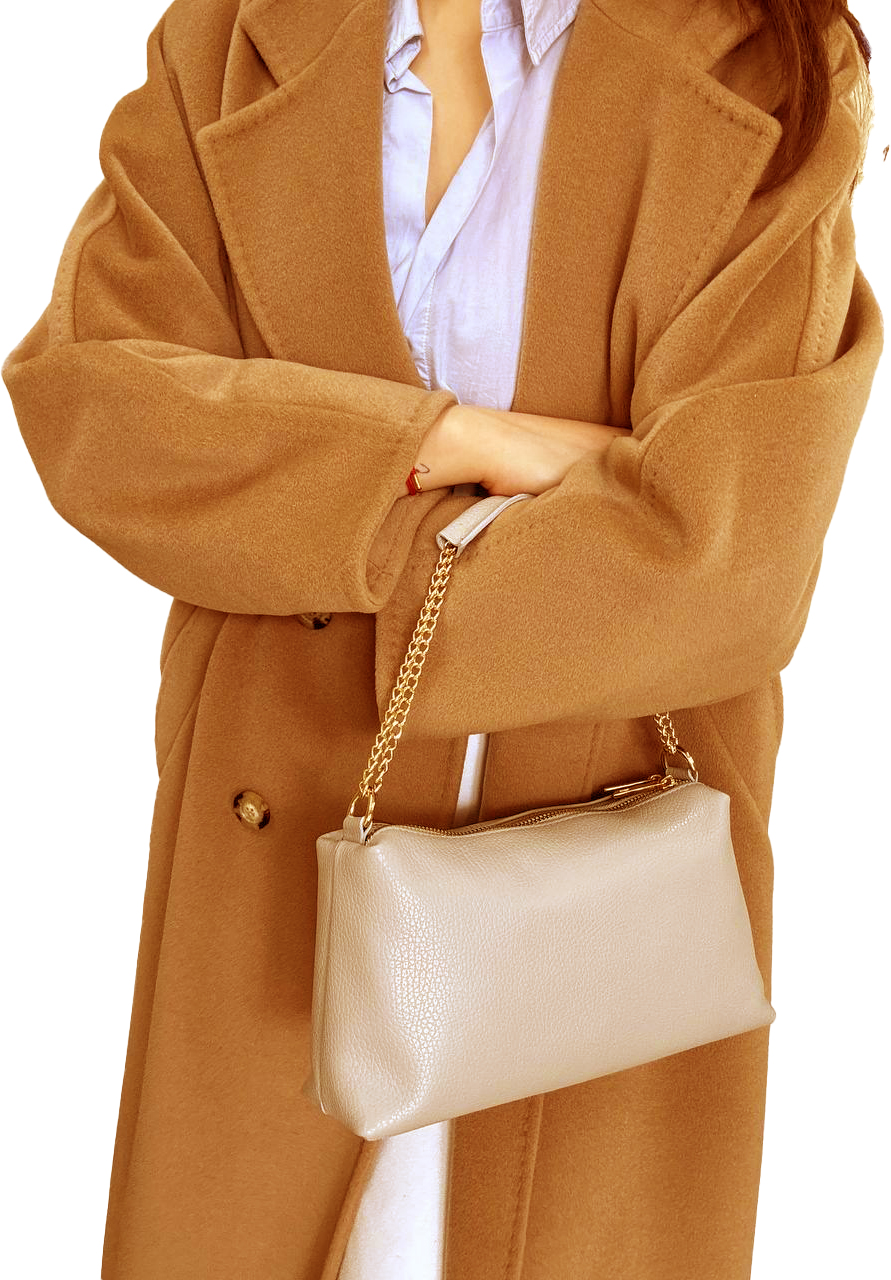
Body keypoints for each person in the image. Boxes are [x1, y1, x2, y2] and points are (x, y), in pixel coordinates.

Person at [2, 0, 883, 1276]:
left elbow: (732, 558)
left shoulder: (761, 63)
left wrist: (308, 513)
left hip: (602, 907)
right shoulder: (233, 35)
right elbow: (97, 407)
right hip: (278, 858)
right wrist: (452, 444)